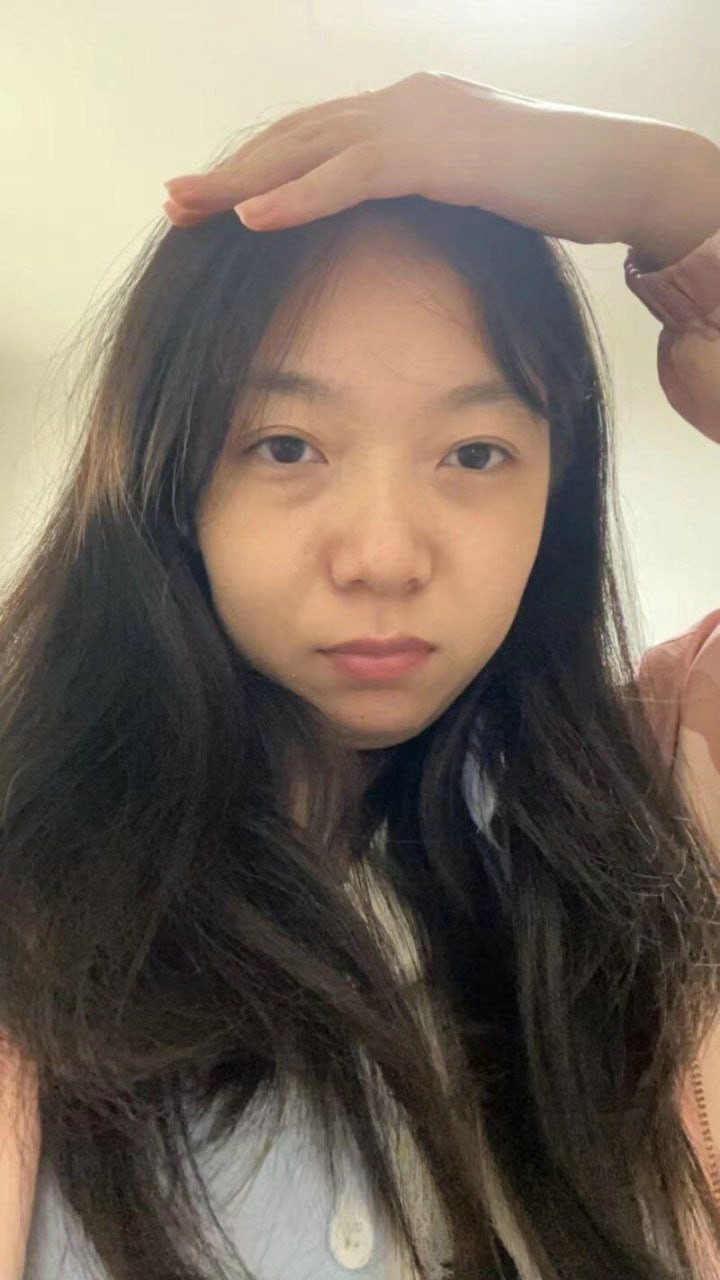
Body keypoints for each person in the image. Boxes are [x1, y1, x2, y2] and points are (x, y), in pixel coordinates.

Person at [2, 71, 720, 1280]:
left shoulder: (668, 807)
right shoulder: (27, 872)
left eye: (475, 452)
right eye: (287, 445)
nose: (385, 556)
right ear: (170, 478)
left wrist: (668, 187)